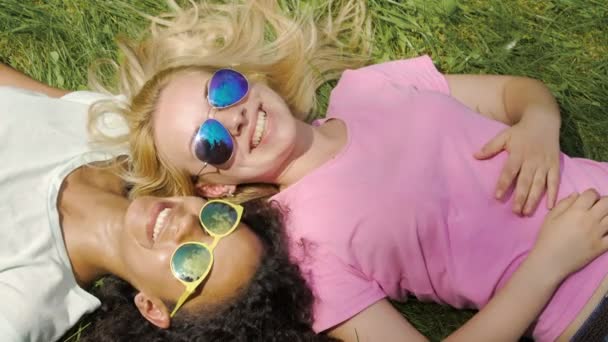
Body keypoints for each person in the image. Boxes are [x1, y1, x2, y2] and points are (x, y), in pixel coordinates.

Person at [88, 1, 608, 341]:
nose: (234, 117)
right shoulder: (305, 252)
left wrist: (539, 122)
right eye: (212, 141)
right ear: (216, 185)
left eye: (222, 91)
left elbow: (513, 93)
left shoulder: (368, 89)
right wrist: (548, 264)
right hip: (585, 308)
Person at [0, 64, 328, 342]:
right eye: (216, 221)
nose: (186, 225)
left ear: (152, 307)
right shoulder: (118, 134)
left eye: (192, 265)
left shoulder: (29, 296)